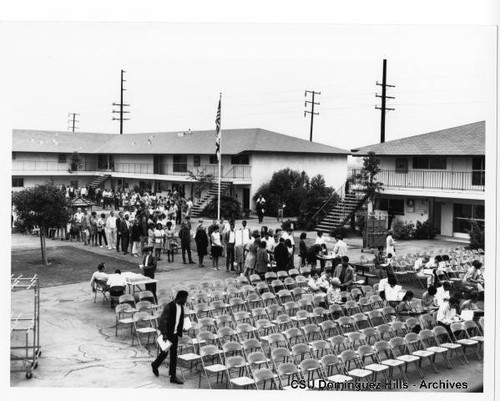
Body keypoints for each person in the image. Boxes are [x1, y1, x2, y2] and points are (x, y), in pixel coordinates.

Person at [151, 290, 188, 384]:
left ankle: (173, 376)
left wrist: (181, 329)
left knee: (174, 355)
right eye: (185, 298)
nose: (186, 300)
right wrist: (164, 335)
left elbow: (178, 320)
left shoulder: (181, 307)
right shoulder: (169, 306)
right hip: (167, 333)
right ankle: (155, 365)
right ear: (180, 298)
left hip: (174, 333)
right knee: (164, 353)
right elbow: (163, 321)